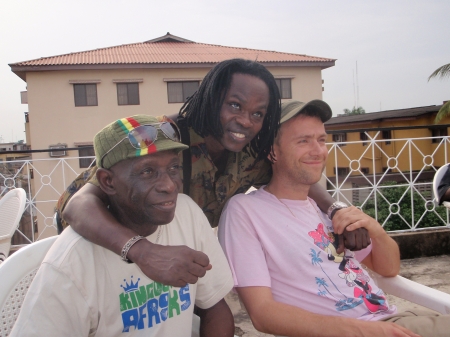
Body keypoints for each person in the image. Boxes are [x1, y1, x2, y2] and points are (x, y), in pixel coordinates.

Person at [59, 59, 369, 288]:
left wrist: (337, 210)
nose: (246, 121)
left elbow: (291, 173)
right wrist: (141, 251)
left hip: (162, 259)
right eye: (234, 105)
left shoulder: (247, 151)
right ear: (210, 98)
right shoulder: (162, 135)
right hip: (97, 246)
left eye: (258, 114)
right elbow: (78, 205)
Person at [218, 100, 450, 337]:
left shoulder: (326, 209)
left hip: (394, 319)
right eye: (303, 141)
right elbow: (262, 314)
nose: (318, 151)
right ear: (272, 151)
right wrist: (365, 331)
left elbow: (388, 268)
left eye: (321, 140)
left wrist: (373, 227)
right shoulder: (245, 211)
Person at [10, 115, 234, 337]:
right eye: (147, 172)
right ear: (107, 181)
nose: (169, 185)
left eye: (174, 168)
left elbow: (214, 307)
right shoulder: (71, 262)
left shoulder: (186, 213)